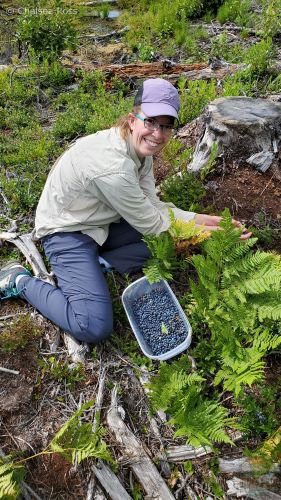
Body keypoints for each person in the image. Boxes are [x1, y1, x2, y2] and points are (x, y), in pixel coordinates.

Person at [0, 78, 251, 343]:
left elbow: (153, 206)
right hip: (67, 230)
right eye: (150, 122)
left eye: (166, 126)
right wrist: (209, 233)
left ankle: (98, 264)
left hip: (101, 222)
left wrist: (206, 220)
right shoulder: (114, 168)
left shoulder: (140, 151)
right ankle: (19, 281)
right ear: (132, 120)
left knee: (165, 243)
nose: (157, 134)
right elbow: (154, 225)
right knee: (92, 326)